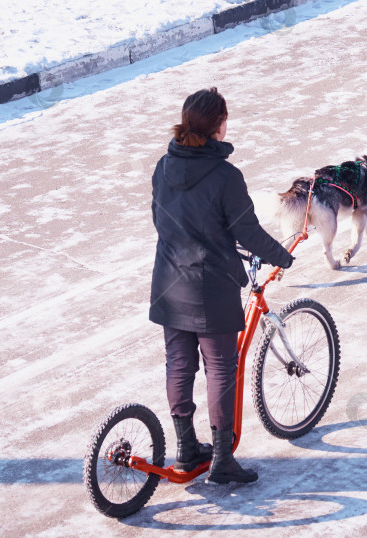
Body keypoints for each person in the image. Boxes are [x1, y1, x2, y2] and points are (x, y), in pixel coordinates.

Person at [149, 88, 294, 484]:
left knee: (179, 364)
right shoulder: (225, 176)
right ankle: (223, 460)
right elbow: (246, 230)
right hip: (210, 288)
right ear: (218, 126)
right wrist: (282, 255)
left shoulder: (163, 166)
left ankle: (185, 447)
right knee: (220, 369)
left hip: (167, 282)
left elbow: (159, 219)